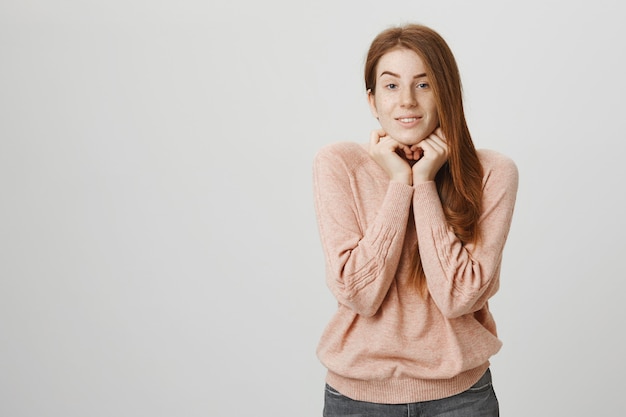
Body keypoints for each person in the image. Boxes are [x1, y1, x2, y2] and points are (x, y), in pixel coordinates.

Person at [312, 23, 518, 416]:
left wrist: (422, 183)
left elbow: (459, 297)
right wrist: (398, 184)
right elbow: (358, 293)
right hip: (357, 398)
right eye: (391, 86)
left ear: (446, 93)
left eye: (423, 85)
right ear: (372, 101)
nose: (406, 100)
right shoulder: (339, 164)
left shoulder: (492, 172)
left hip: (461, 398)